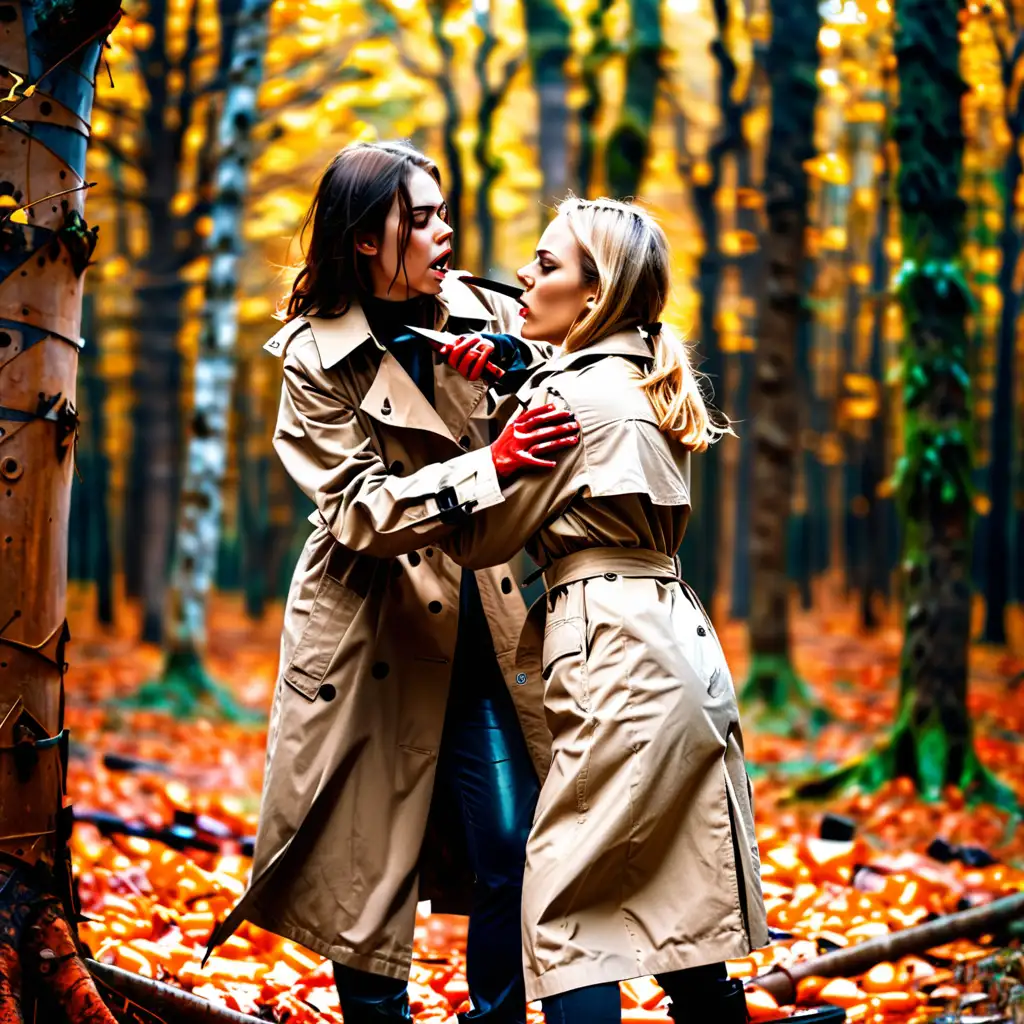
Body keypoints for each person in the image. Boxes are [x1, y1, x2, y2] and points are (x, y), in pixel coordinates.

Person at [204, 141, 580, 1024]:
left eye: (443, 211)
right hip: (367, 624)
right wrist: (491, 463)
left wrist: (518, 376)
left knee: (512, 842)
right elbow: (360, 512)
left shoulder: (491, 311)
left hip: (480, 616)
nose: (445, 231)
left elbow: (579, 392)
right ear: (367, 237)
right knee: (362, 867)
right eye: (421, 216)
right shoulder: (311, 355)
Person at [425, 197, 770, 1023]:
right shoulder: (639, 375)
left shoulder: (566, 399)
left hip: (612, 645)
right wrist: (522, 376)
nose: (522, 277)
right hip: (675, 641)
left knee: (566, 908)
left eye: (546, 265)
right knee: (666, 872)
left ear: (594, 294)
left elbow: (479, 541)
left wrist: (499, 428)